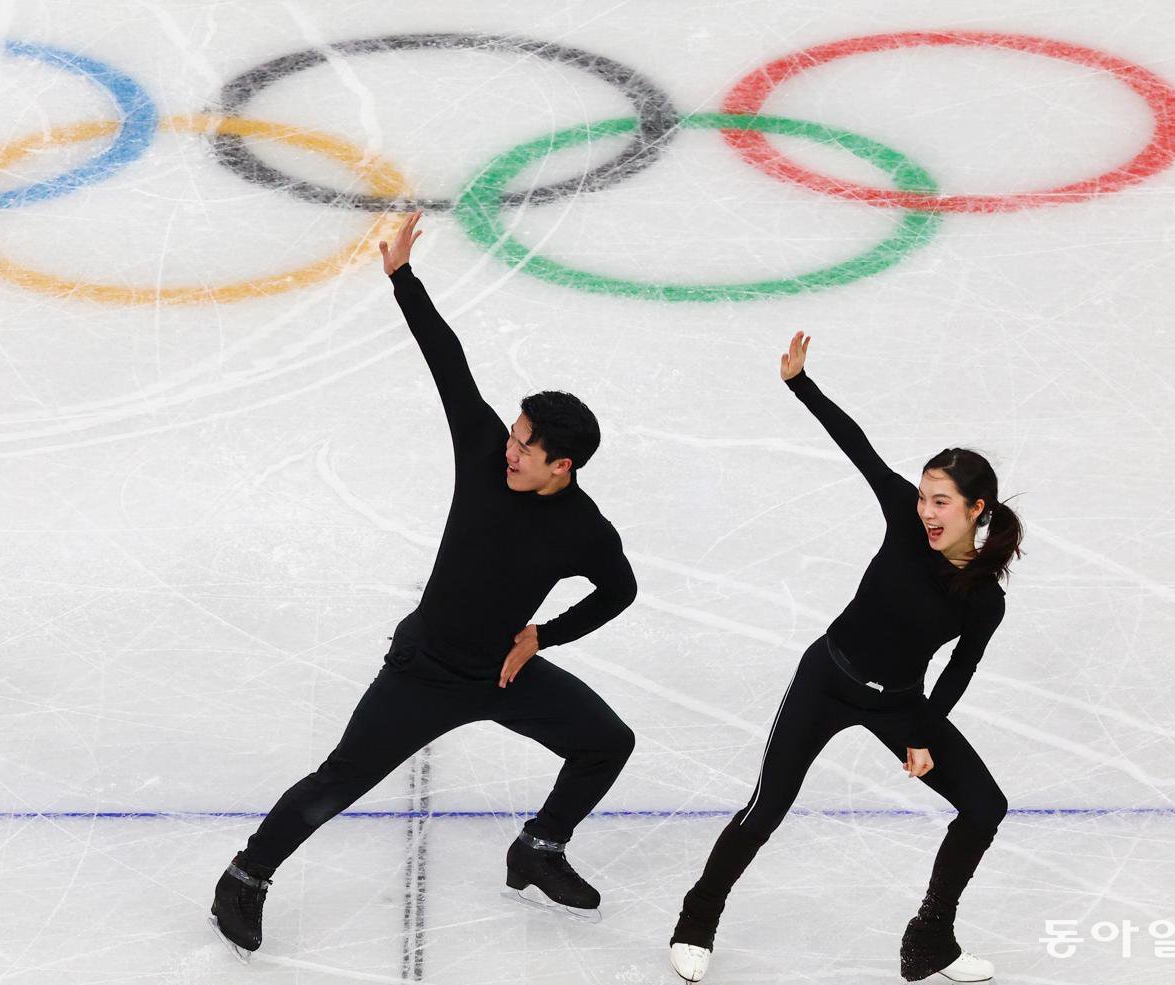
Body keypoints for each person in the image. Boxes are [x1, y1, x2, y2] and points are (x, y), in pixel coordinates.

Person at [210, 212, 639, 959]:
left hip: (501, 675)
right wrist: (402, 276)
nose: (510, 449)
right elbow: (447, 358)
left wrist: (542, 635)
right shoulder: (482, 453)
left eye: (526, 446)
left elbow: (619, 589)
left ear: (562, 466)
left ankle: (537, 848)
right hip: (424, 672)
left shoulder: (584, 529)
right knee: (337, 781)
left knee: (607, 742)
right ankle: (245, 877)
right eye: (512, 433)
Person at [669, 332, 1024, 984]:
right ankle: (698, 915)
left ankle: (930, 938)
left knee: (985, 805)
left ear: (976, 509)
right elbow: (857, 446)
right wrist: (800, 383)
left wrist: (920, 732)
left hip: (897, 701)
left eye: (940, 501)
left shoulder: (982, 599)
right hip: (828, 677)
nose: (925, 511)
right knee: (766, 807)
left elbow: (960, 668)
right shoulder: (904, 517)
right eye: (922, 496)